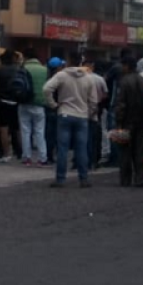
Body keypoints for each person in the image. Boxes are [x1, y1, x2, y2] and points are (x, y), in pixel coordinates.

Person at [43, 56, 98, 188]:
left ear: (67, 64)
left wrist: (53, 105)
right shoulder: (89, 77)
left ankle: (60, 179)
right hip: (82, 116)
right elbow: (94, 101)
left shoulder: (62, 75)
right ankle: (83, 178)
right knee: (81, 148)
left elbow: (46, 89)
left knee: (62, 148)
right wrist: (89, 113)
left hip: (65, 114)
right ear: (80, 64)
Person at [113, 56, 143, 188]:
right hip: (142, 122)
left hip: (126, 121)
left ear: (127, 66)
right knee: (139, 151)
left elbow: (121, 104)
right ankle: (140, 179)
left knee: (125, 151)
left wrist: (118, 122)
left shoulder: (124, 82)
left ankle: (125, 179)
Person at [17, 48, 49, 167]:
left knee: (25, 131)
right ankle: (42, 158)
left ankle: (26, 158)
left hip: (24, 102)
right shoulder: (44, 70)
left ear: (25, 57)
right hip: (39, 104)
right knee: (40, 132)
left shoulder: (22, 69)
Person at [0, 50, 20, 163]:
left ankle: (6, 153)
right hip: (16, 101)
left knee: (3, 128)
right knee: (18, 128)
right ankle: (21, 152)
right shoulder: (18, 70)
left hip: (2, 101)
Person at [82, 58, 109, 170]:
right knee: (97, 136)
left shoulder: (81, 79)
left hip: (83, 110)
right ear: (92, 66)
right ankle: (95, 160)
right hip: (97, 110)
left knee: (84, 137)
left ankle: (85, 161)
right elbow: (106, 94)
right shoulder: (99, 79)